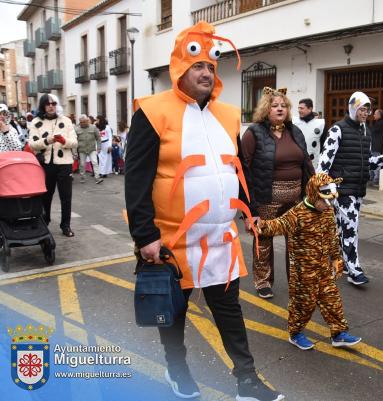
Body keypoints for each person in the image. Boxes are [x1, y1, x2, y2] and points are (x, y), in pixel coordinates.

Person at [125, 20, 283, 401]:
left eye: (212, 66)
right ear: (179, 68)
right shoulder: (152, 111)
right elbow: (136, 177)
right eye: (198, 65)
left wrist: (251, 210)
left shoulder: (227, 115)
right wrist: (144, 235)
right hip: (171, 241)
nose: (206, 72)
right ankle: (177, 370)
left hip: (219, 239)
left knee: (230, 313)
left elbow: (235, 166)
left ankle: (247, 380)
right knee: (174, 315)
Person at [258, 173, 362, 350]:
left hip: (323, 267)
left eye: (331, 201)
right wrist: (260, 225)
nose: (328, 205)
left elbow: (331, 237)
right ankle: (295, 333)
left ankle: (338, 334)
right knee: (303, 304)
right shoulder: (297, 214)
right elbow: (277, 225)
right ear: (314, 195)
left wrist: (336, 258)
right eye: (325, 201)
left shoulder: (327, 211)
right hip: (303, 272)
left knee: (332, 300)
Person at [241, 87, 314, 299]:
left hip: (297, 198)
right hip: (266, 198)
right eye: (275, 106)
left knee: (297, 241)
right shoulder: (254, 132)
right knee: (263, 240)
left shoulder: (295, 131)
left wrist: (316, 193)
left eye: (284, 105)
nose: (280, 109)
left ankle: (297, 280)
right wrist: (249, 208)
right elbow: (243, 169)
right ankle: (263, 280)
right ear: (266, 109)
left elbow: (307, 164)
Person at [317, 92, 383, 286]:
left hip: (358, 188)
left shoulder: (365, 132)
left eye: (367, 109)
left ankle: (334, 263)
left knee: (340, 229)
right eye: (362, 108)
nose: (365, 112)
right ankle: (354, 269)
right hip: (342, 189)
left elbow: (366, 161)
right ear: (353, 107)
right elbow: (324, 162)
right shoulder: (337, 130)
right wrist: (322, 192)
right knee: (350, 230)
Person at [28, 94, 78, 237]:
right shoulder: (36, 121)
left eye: (54, 103)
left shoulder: (66, 121)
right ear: (43, 105)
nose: (51, 106)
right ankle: (45, 222)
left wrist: (64, 141)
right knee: (46, 196)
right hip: (46, 164)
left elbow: (74, 142)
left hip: (64, 164)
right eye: (48, 103)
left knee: (66, 197)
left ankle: (66, 225)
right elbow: (32, 144)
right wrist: (48, 140)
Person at [292, 98, 325, 171]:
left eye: (302, 108)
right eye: (298, 108)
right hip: (296, 163)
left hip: (314, 164)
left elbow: (323, 145)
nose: (299, 110)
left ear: (310, 109)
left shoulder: (321, 124)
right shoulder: (293, 122)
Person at [75, 115, 102, 184]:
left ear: (87, 121)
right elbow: (74, 141)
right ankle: (82, 177)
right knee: (82, 164)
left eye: (84, 122)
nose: (82, 123)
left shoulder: (93, 127)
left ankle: (97, 178)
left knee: (95, 162)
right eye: (81, 122)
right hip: (82, 150)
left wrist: (99, 147)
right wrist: (75, 152)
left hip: (92, 149)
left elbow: (98, 138)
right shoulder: (77, 129)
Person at [369, 108, 383, 186]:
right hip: (374, 146)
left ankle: (376, 180)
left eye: (375, 114)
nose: (374, 115)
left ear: (379, 115)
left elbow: (372, 130)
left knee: (376, 163)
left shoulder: (380, 123)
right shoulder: (377, 123)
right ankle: (372, 178)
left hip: (377, 147)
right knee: (372, 162)